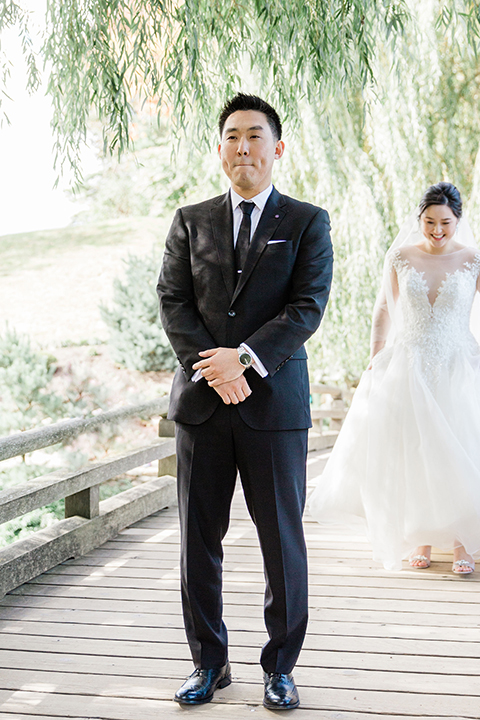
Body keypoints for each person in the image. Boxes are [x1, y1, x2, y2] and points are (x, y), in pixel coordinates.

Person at [157, 93, 333, 709]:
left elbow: (305, 307)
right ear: (221, 147)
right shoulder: (190, 220)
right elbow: (173, 303)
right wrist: (216, 368)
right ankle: (209, 663)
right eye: (232, 136)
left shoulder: (308, 222)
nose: (243, 147)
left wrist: (246, 360)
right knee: (196, 541)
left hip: (274, 409)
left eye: (255, 136)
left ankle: (280, 667)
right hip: (203, 407)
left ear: (276, 147)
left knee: (281, 541)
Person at [309, 181, 480, 575]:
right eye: (429, 222)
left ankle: (460, 544)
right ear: (419, 219)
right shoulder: (401, 256)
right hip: (410, 361)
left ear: (459, 221)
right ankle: (418, 536)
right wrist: (376, 357)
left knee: (457, 448)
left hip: (457, 363)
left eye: (445, 223)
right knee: (415, 450)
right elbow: (384, 309)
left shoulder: (472, 258)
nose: (437, 230)